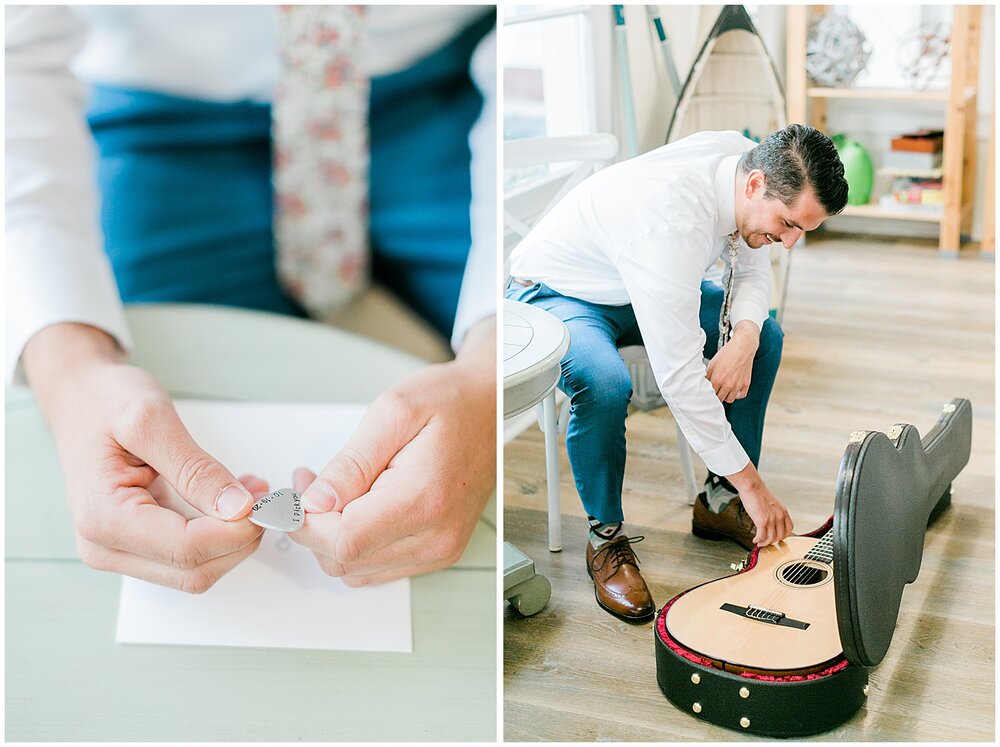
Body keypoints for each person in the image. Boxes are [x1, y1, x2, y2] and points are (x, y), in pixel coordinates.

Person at [6, 6, 496, 593]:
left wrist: (492, 377)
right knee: (142, 432)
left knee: (536, 375)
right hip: (159, 123)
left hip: (438, 92)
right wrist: (70, 367)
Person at [506, 124, 848, 621]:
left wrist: (745, 338)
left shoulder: (743, 159)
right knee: (605, 384)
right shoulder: (670, 223)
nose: (790, 242)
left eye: (802, 230)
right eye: (789, 224)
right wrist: (758, 487)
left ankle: (718, 498)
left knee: (767, 337)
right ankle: (605, 539)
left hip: (635, 282)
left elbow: (751, 264)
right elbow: (681, 379)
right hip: (560, 293)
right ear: (755, 185)